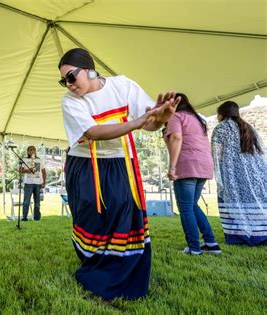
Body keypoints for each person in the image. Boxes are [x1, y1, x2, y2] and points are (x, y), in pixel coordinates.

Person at [59, 48, 180, 300]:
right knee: (90, 216)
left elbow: (150, 122)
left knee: (124, 212)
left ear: (90, 69)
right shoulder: (70, 101)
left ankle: (124, 274)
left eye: (71, 77)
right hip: (84, 165)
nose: (68, 85)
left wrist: (161, 119)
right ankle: (94, 267)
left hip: (121, 163)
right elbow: (92, 132)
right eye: (64, 80)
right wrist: (140, 121)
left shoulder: (122, 85)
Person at [163, 93, 221, 255]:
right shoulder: (197, 120)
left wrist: (172, 167)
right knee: (193, 205)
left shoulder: (176, 116)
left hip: (188, 164)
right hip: (204, 165)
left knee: (186, 207)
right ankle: (211, 243)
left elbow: (176, 138)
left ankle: (194, 248)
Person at [211, 101, 267, 246]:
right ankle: (261, 235)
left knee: (233, 201)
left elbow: (217, 154)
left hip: (233, 175)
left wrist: (218, 172)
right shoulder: (249, 127)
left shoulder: (221, 128)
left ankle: (238, 237)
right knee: (254, 202)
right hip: (255, 174)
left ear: (221, 114)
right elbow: (260, 151)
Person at [20, 146, 46, 221]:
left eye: (33, 150)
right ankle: (24, 217)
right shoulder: (25, 159)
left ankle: (37, 218)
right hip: (28, 183)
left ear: (35, 151)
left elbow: (44, 172)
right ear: (28, 152)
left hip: (38, 184)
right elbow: (20, 170)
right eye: (30, 150)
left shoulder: (39, 160)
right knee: (26, 201)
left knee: (37, 202)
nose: (32, 151)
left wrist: (44, 182)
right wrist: (28, 170)